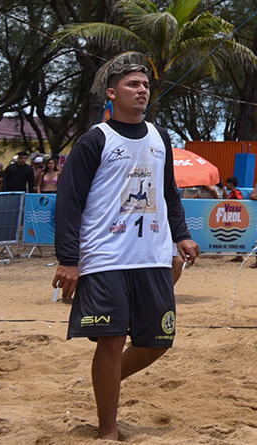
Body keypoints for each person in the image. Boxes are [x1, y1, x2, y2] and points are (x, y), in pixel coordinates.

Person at [51, 52, 198, 441]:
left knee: (157, 341)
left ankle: (107, 380)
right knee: (112, 340)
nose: (142, 90)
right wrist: (69, 259)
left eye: (146, 85)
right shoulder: (95, 140)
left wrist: (181, 235)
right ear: (112, 93)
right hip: (105, 255)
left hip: (152, 254)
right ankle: (108, 430)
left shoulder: (160, 137)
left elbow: (169, 193)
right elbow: (69, 202)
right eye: (133, 84)